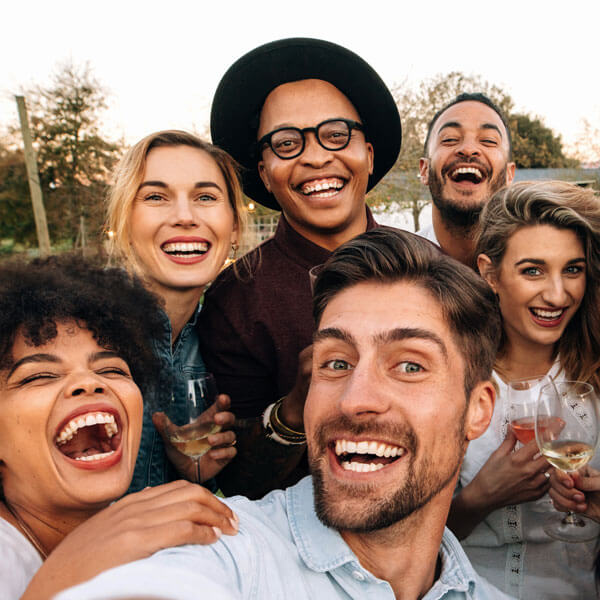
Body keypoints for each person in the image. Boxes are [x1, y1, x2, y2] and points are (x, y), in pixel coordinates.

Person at [55, 229, 511, 600]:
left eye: (409, 366)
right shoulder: (228, 551)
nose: (355, 399)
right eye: (336, 362)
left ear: (477, 409)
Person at [199, 37, 402, 497]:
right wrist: (293, 409)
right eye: (286, 143)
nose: (315, 157)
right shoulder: (235, 297)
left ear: (368, 154)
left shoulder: (433, 270)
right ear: (264, 171)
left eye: (336, 135)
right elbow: (233, 481)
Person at [0, 256, 239, 600]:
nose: (89, 382)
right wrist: (68, 568)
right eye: (40, 375)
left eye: (112, 369)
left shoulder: (139, 535)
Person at [447, 181, 600, 598]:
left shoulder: (594, 383)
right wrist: (479, 499)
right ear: (489, 272)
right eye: (532, 270)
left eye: (573, 269)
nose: (557, 293)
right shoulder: (448, 382)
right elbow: (395, 544)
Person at [106, 130, 245, 491]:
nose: (185, 216)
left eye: (205, 197)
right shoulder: (71, 333)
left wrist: (193, 477)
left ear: (234, 227)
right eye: (156, 196)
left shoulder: (222, 342)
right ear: (125, 222)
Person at [418, 93, 516, 265]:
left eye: (488, 140)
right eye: (450, 139)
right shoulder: (394, 272)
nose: (468, 149)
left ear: (510, 174)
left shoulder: (534, 269)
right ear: (424, 170)